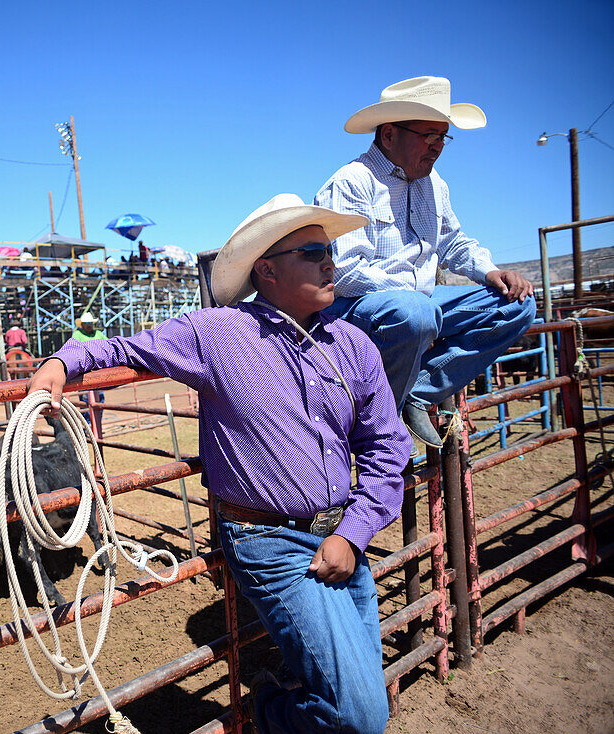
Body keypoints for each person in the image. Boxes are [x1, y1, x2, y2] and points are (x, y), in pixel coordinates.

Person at [29, 194, 410, 734]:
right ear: (268, 271)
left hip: (344, 533)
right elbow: (125, 347)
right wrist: (61, 362)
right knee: (362, 716)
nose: (330, 263)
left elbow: (387, 447)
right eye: (312, 251)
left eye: (330, 250)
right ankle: (268, 714)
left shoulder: (352, 345)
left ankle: (281, 706)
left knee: (364, 700)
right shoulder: (217, 333)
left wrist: (354, 532)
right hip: (269, 540)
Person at [314, 76, 535, 447]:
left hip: (417, 304)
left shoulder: (436, 185)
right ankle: (380, 422)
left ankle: (418, 390)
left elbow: (453, 242)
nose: (437, 147)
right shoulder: (353, 181)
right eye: (427, 135)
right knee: (414, 311)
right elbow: (347, 273)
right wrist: (414, 296)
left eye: (442, 137)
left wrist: (492, 271)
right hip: (361, 306)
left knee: (517, 306)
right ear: (388, 134)